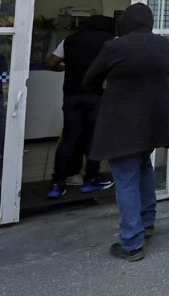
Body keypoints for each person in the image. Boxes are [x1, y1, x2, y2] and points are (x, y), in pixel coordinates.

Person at [83, 3, 169, 262]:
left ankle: (131, 243)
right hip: (152, 122)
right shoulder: (163, 45)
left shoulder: (115, 47)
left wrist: (107, 86)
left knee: (125, 178)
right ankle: (147, 222)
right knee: (144, 168)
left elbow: (90, 79)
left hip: (122, 124)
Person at [44, 15, 115, 198]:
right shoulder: (111, 41)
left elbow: (51, 62)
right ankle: (90, 179)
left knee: (69, 138)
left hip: (72, 95)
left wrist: (64, 68)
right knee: (94, 138)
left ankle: (57, 183)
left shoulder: (70, 40)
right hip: (97, 96)